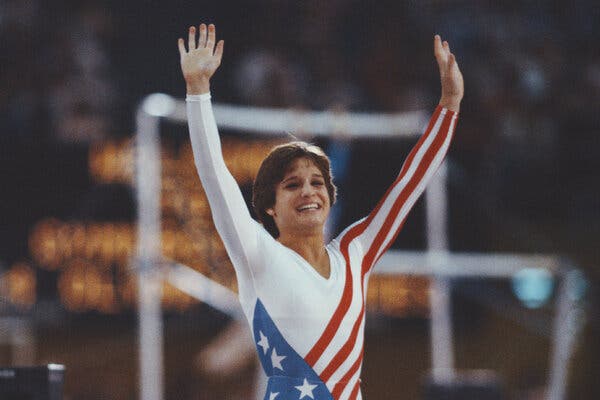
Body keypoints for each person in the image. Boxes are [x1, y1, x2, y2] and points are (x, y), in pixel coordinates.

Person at [178, 23, 463, 400]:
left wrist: (449, 106)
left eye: (317, 183)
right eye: (292, 184)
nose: (309, 191)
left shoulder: (355, 253)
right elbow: (215, 177)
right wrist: (198, 93)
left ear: (331, 197)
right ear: (270, 209)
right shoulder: (260, 256)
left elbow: (410, 184)